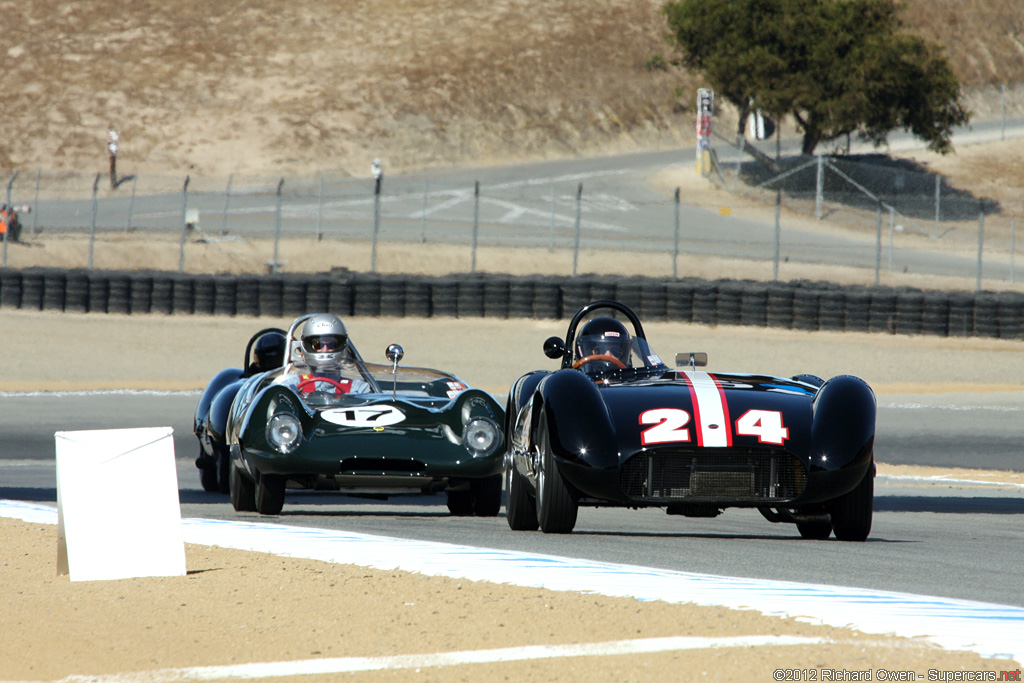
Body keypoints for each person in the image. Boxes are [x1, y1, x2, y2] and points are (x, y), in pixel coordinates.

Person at [278, 314, 372, 395]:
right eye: (318, 345)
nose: (325, 350)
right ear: (305, 346)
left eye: (331, 344)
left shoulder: (358, 389)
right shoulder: (290, 384)